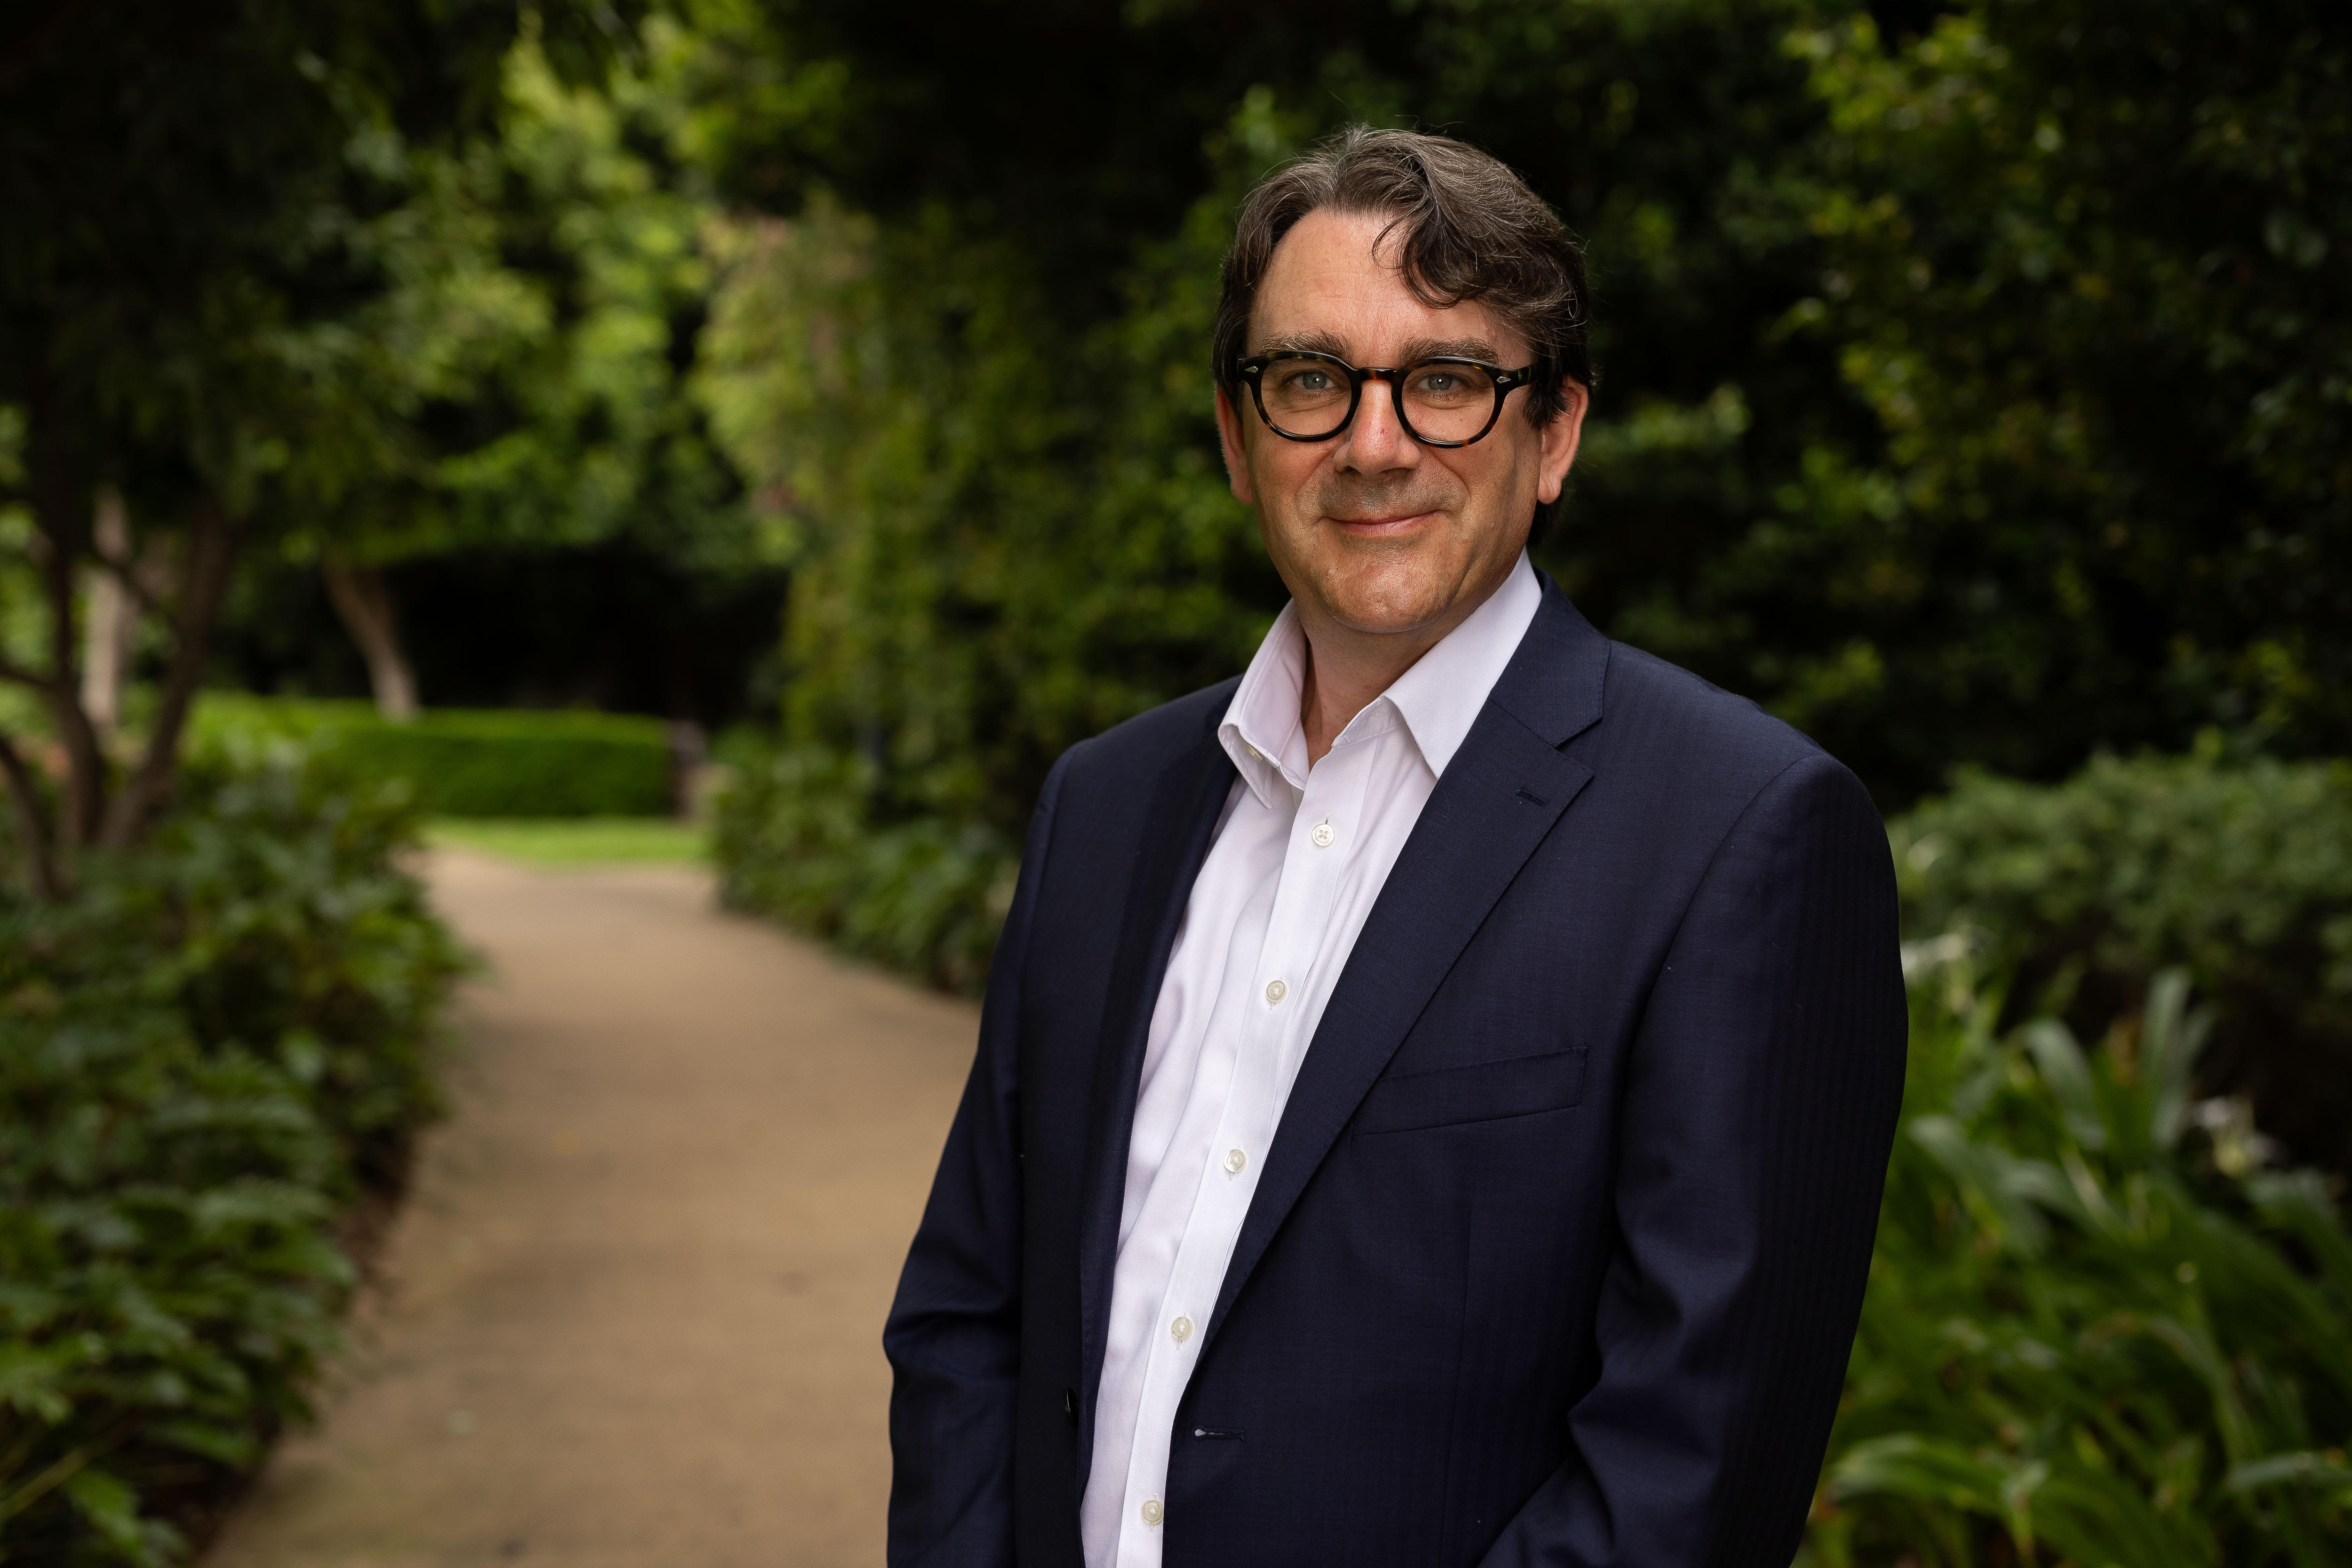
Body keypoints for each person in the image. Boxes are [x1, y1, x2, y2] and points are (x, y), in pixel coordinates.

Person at [883, 126, 1906, 1568]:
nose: (1374, 446)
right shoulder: (1103, 808)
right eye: (1311, 382)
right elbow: (969, 1322)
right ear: (1239, 441)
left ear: (1552, 436)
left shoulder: (1744, 836)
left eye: (1446, 383)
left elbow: (1691, 1475)